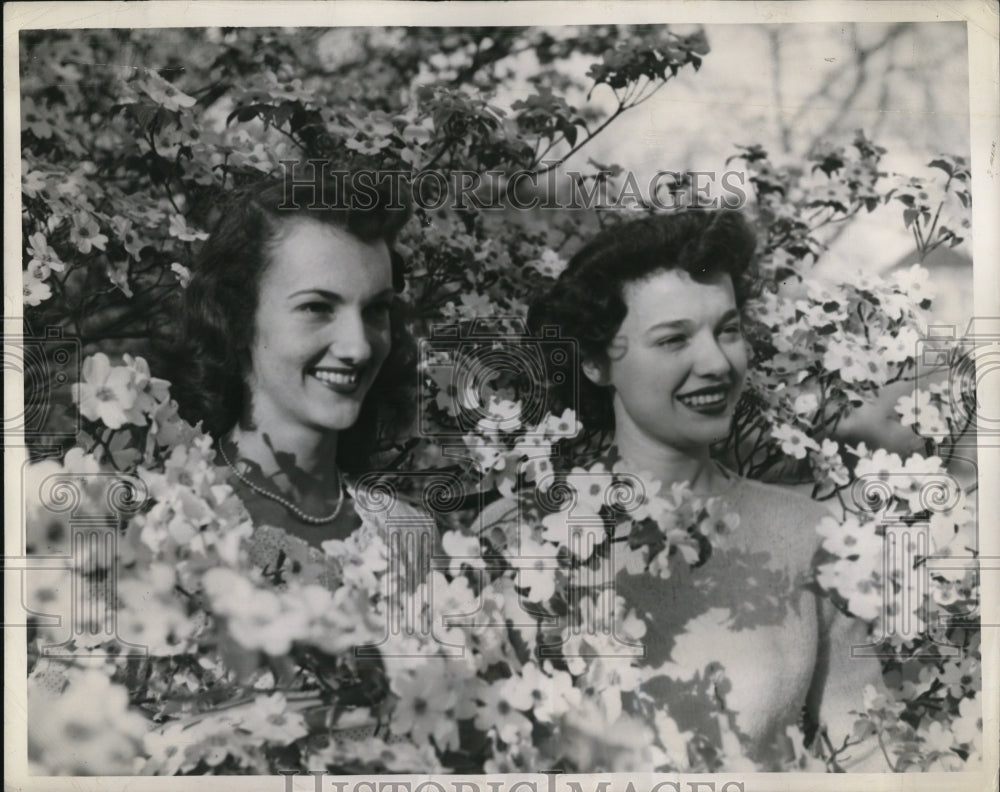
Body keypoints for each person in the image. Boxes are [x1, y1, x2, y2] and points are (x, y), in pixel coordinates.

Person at [526, 209, 889, 771]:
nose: (717, 362)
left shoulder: (809, 537)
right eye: (673, 339)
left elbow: (870, 755)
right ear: (596, 363)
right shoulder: (519, 542)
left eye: (728, 330)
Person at [175, 165, 421, 588]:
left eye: (376, 310)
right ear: (236, 318)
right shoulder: (167, 513)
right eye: (316, 308)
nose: (359, 348)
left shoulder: (406, 538)